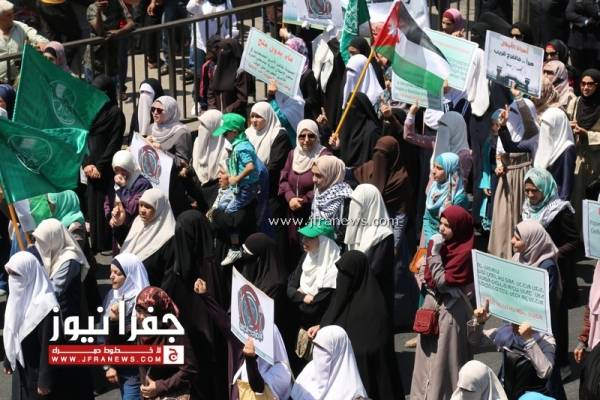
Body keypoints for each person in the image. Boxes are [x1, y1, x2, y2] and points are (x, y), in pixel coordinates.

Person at [311, 251, 403, 399]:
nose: (341, 278)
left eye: (345, 274)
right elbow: (334, 315)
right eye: (340, 273)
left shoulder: (374, 310)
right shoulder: (349, 299)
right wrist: (322, 327)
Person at [411, 205, 475, 400]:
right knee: (425, 360)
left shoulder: (463, 252)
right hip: (432, 307)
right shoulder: (441, 245)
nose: (441, 229)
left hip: (451, 313)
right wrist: (433, 257)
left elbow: (441, 281)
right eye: (441, 223)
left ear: (459, 228)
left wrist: (434, 254)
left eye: (448, 226)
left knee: (445, 362)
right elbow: (428, 277)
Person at [194, 278, 293, 400]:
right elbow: (225, 323)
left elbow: (257, 387)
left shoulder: (282, 372)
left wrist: (250, 360)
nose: (253, 337)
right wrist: (205, 296)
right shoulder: (241, 346)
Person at [511, 219, 566, 399]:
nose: (512, 241)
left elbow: (544, 302)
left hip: (540, 330)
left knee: (546, 373)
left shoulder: (546, 266)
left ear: (532, 240)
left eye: (517, 238)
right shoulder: (519, 257)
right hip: (520, 326)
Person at [468, 299, 557, 400]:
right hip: (506, 393)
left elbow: (545, 372)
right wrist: (479, 322)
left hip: (531, 396)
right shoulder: (506, 333)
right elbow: (476, 342)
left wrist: (529, 340)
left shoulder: (545, 340)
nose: (513, 324)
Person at [2, 252, 60, 399]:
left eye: (16, 274)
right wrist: (9, 358)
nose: (12, 279)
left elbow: (50, 346)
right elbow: (12, 329)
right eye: (9, 274)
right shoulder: (17, 296)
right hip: (20, 371)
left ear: (29, 274)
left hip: (37, 375)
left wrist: (44, 380)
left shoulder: (47, 306)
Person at [488, 96, 538, 258]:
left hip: (523, 178)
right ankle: (502, 255)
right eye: (512, 111)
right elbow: (500, 152)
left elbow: (528, 122)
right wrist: (499, 165)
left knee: (519, 218)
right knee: (502, 219)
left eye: (517, 112)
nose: (512, 115)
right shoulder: (506, 129)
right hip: (506, 179)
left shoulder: (531, 133)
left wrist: (519, 99)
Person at [136, 287, 205, 399]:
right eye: (139, 312)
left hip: (173, 393)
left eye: (146, 313)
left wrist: (160, 386)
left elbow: (190, 369)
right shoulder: (143, 331)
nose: (141, 317)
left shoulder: (173, 331)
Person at [83, 75, 125, 253]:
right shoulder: (90, 112)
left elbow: (114, 144)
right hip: (90, 167)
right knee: (92, 204)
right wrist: (87, 164)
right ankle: (97, 243)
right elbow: (83, 139)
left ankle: (107, 243)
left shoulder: (116, 114)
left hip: (105, 169)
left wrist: (99, 166)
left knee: (105, 204)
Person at [279, 119, 330, 265]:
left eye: (311, 135)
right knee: (294, 248)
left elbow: (325, 184)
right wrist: (290, 198)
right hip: (293, 211)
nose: (306, 140)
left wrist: (304, 199)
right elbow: (283, 179)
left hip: (313, 212)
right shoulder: (293, 154)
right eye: (302, 136)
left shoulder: (324, 155)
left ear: (317, 136)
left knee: (310, 251)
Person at [211, 113, 260, 266]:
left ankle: (235, 247)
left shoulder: (242, 147)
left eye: (226, 133)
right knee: (224, 208)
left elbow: (250, 166)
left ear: (234, 131)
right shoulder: (239, 145)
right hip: (242, 188)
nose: (224, 136)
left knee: (229, 214)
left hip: (246, 189)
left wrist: (236, 178)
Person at [499, 107, 576, 200]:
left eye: (549, 126)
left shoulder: (567, 148)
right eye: (543, 125)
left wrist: (561, 206)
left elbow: (567, 185)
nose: (545, 130)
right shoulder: (537, 141)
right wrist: (503, 126)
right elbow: (511, 147)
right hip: (536, 198)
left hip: (555, 201)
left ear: (558, 126)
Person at [101, 253, 149, 400]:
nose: (111, 276)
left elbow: (140, 336)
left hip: (135, 368)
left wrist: (117, 321)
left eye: (117, 273)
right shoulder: (112, 295)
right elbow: (102, 332)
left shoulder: (144, 300)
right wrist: (108, 365)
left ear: (130, 275)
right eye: (111, 272)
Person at [344, 184, 394, 311]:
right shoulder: (357, 230)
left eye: (358, 206)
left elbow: (375, 270)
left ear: (369, 205)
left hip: (375, 300)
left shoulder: (383, 234)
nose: (354, 210)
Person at [32, 218, 90, 319]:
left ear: (53, 239)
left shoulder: (69, 260)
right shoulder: (54, 249)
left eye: (43, 241)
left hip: (66, 314)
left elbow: (55, 290)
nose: (39, 245)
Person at [291, 325, 367, 400]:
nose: (319, 354)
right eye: (317, 347)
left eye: (324, 349)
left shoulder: (355, 396)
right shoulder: (307, 374)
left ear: (338, 351)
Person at [287, 220, 339, 329]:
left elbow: (313, 308)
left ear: (324, 242)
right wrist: (303, 297)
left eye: (310, 238)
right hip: (302, 323)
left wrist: (297, 294)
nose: (303, 240)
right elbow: (290, 288)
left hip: (319, 327)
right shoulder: (306, 257)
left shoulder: (334, 269)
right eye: (304, 237)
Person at [148, 95, 193, 216]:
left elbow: (183, 162)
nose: (155, 113)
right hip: (153, 180)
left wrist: (162, 151)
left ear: (170, 112)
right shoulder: (152, 128)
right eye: (153, 109)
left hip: (172, 185)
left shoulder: (181, 133)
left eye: (159, 110)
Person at [120, 188, 176, 286]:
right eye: (141, 205)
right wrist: (118, 227)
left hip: (150, 288)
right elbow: (128, 246)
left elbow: (169, 274)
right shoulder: (138, 222)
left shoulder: (168, 237)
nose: (142, 210)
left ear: (159, 208)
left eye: (148, 207)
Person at [566, 69, 600, 227]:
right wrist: (569, 126)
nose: (586, 87)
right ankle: (578, 234)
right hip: (577, 159)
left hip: (595, 162)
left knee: (592, 201)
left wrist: (587, 134)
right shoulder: (575, 102)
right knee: (577, 199)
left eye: (590, 84)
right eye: (583, 84)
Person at [405, 108, 472, 185]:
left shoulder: (464, 155)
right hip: (431, 191)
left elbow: (459, 185)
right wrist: (411, 113)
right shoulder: (438, 142)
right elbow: (409, 136)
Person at [105, 150, 153, 248]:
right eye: (117, 170)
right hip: (119, 227)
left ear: (130, 167)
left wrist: (123, 188)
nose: (120, 174)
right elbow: (107, 201)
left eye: (123, 169)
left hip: (134, 229)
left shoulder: (142, 184)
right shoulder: (114, 182)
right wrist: (110, 217)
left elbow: (133, 208)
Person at [422, 152, 469, 245]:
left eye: (439, 168)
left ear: (450, 171)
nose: (433, 171)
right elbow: (427, 218)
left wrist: (438, 243)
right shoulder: (434, 188)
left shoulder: (459, 198)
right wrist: (430, 240)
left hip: (447, 245)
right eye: (434, 166)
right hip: (431, 241)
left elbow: (456, 229)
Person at [0, 0, 48, 83]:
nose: (12, 17)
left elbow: (32, 34)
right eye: (8, 15)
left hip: (21, 79)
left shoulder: (19, 26)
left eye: (12, 13)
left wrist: (42, 42)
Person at [189, 109, 227, 209]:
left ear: (215, 126)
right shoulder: (197, 142)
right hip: (198, 189)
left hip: (217, 191)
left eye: (205, 125)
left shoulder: (226, 147)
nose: (200, 128)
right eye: (200, 123)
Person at [337, 92, 381, 168]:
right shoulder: (344, 127)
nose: (349, 111)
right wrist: (337, 147)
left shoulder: (372, 132)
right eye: (347, 107)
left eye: (352, 107)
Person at [309, 155, 353, 232]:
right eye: (313, 174)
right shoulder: (318, 192)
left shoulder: (345, 198)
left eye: (319, 175)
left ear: (332, 174)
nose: (314, 179)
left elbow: (345, 231)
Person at [208, 38, 249, 115]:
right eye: (220, 50)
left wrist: (226, 111)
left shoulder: (240, 72)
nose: (222, 53)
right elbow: (211, 91)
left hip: (234, 116)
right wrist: (213, 108)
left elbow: (242, 99)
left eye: (225, 50)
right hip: (217, 115)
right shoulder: (215, 69)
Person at [286, 37, 321, 120]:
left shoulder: (308, 74)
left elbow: (312, 100)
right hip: (290, 114)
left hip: (304, 116)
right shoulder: (287, 71)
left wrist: (297, 102)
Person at [565, 0, 600, 73]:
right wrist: (586, 21)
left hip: (594, 44)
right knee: (577, 72)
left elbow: (596, 13)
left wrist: (583, 3)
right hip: (576, 43)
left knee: (592, 72)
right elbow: (569, 14)